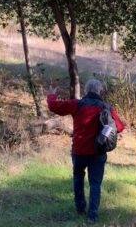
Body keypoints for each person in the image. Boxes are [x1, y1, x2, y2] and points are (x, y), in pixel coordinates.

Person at [47, 79, 125, 224]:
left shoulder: (77, 104)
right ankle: (92, 216)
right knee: (95, 184)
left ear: (86, 91)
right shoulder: (106, 107)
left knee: (78, 178)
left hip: (79, 150)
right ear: (100, 91)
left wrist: (51, 95)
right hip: (98, 152)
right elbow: (119, 127)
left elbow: (53, 106)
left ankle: (80, 207)